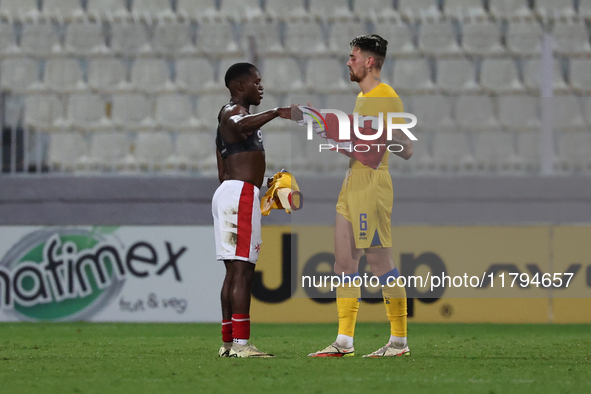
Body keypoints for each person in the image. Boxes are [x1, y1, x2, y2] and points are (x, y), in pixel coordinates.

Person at [306, 35, 414, 357]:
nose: (348, 62)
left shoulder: (386, 97)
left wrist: (383, 136)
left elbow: (406, 149)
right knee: (343, 264)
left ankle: (399, 342)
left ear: (369, 62)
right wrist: (337, 137)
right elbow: (361, 149)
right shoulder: (364, 98)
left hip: (373, 186)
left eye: (353, 57)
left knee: (380, 264)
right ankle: (344, 342)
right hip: (352, 181)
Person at [212, 63, 296, 358]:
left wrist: (264, 184)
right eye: (256, 82)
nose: (260, 87)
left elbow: (224, 169)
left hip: (231, 193)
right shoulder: (233, 113)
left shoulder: (228, 119)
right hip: (239, 195)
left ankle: (228, 341)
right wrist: (275, 112)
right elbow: (238, 125)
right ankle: (242, 344)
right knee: (244, 272)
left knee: (233, 272)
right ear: (239, 86)